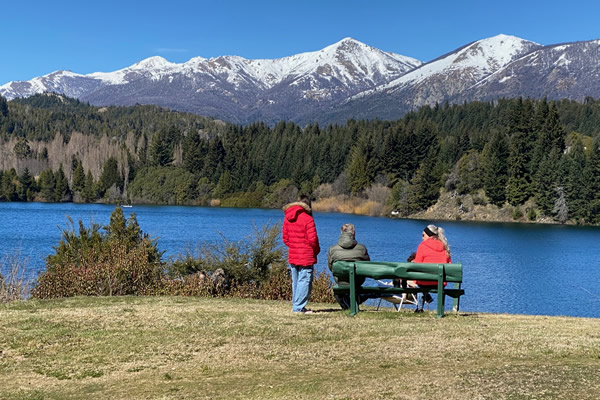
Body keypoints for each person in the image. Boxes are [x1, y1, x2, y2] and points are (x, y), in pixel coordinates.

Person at [282, 195, 320, 314]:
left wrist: (294, 245)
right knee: (304, 281)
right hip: (306, 255)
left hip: (293, 254)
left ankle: (296, 305)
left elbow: (285, 239)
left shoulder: (287, 218)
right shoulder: (308, 219)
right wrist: (316, 250)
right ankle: (298, 307)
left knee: (296, 281)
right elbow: (313, 239)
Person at [327, 223, 370, 310]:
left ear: (341, 233)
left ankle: (347, 306)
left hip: (341, 281)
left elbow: (331, 267)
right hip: (358, 281)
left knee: (338, 292)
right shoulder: (362, 248)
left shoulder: (333, 249)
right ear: (353, 233)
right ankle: (352, 304)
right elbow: (367, 266)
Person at [413, 224, 451, 313]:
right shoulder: (445, 246)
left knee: (419, 282)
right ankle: (440, 310)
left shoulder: (422, 246)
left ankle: (419, 308)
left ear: (429, 235)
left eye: (423, 235)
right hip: (439, 282)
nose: (422, 238)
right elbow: (449, 265)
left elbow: (417, 265)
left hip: (424, 281)